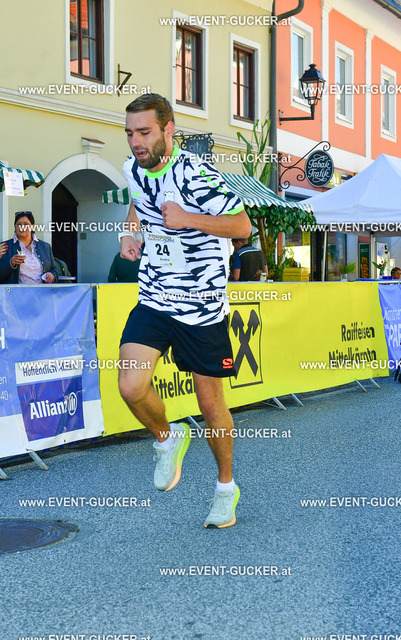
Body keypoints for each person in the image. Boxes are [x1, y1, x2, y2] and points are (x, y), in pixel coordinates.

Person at [118, 93, 251, 528]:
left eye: (144, 132)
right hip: (156, 296)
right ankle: (168, 436)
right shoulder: (133, 168)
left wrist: (188, 218)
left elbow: (242, 226)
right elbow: (138, 202)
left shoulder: (196, 175)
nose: (136, 142)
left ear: (169, 129)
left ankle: (225, 489)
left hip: (201, 305)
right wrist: (128, 233)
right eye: (130, 133)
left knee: (211, 406)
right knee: (131, 386)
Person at [0, 211, 58, 284]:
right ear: (15, 227)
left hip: (42, 290)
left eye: (26, 224)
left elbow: (55, 269)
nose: (22, 227)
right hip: (16, 291)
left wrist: (52, 275)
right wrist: (11, 263)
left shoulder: (45, 247)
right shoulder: (4, 247)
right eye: (19, 224)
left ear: (32, 227)